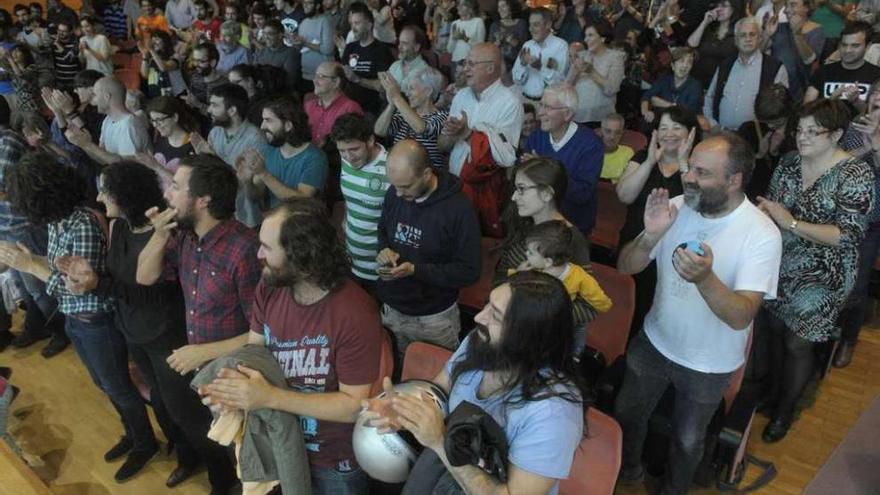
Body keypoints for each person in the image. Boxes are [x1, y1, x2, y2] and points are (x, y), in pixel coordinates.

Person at [614, 132, 783, 495]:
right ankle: (628, 473)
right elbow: (626, 267)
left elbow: (742, 317)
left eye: (702, 173)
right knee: (628, 413)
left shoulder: (761, 235)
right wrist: (648, 237)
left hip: (708, 365)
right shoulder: (676, 206)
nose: (688, 177)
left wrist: (705, 279)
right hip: (654, 342)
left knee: (688, 442)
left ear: (733, 180)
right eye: (690, 168)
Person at [58, 161, 237, 491]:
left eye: (106, 190)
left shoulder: (178, 236)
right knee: (163, 406)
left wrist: (155, 237)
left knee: (188, 414)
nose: (98, 196)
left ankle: (222, 478)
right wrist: (92, 281)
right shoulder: (121, 228)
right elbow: (129, 281)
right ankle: (185, 457)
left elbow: (145, 282)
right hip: (134, 331)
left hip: (168, 337)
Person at [200, 198, 384, 494]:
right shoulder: (269, 287)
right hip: (277, 443)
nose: (258, 253)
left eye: (268, 247)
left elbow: (352, 406)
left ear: (302, 255)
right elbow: (255, 354)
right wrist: (231, 392)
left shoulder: (356, 312)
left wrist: (269, 397)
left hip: (332, 463)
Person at [0, 151, 161, 482]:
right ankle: (132, 434)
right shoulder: (61, 221)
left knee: (118, 387)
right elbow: (62, 269)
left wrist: (30, 265)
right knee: (103, 383)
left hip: (97, 323)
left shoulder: (82, 223)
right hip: (78, 321)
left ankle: (145, 442)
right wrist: (34, 260)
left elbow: (79, 286)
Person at [362, 270, 584, 495]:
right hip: (439, 475)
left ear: (527, 336)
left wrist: (439, 440)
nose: (479, 318)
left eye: (495, 315)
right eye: (487, 305)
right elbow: (438, 392)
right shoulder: (480, 342)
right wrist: (405, 410)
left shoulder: (553, 414)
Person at [755, 99, 874, 443]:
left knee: (796, 342)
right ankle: (774, 390)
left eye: (812, 132)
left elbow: (847, 236)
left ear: (836, 134)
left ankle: (785, 410)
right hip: (784, 258)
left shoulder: (855, 173)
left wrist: (789, 222)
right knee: (775, 328)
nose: (801, 137)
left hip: (828, 269)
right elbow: (773, 209)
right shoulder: (790, 163)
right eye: (799, 130)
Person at [136, 154, 261, 379]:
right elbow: (144, 277)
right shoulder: (186, 236)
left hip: (238, 373)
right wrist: (159, 234)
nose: (167, 194)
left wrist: (203, 352)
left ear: (203, 200)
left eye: (175, 187)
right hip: (205, 368)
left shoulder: (245, 250)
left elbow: (266, 331)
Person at [377, 139, 481, 357]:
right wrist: (384, 249)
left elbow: (469, 271)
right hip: (393, 309)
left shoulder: (459, 209)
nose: (397, 194)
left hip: (434, 319)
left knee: (435, 380)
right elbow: (383, 231)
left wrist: (416, 270)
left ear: (426, 174)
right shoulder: (394, 194)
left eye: (405, 187)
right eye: (394, 185)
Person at [616, 106, 700, 337]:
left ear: (690, 133)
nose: (669, 133)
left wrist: (684, 164)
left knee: (658, 312)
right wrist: (650, 162)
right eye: (663, 127)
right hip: (635, 243)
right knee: (628, 311)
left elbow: (697, 206)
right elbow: (624, 195)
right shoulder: (643, 157)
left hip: (673, 253)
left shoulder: (696, 165)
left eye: (676, 127)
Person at [494, 157, 597, 327]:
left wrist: (532, 314)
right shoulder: (524, 221)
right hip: (510, 321)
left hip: (538, 334)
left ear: (547, 193)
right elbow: (502, 272)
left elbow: (589, 306)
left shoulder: (571, 239)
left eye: (521, 189)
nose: (513, 197)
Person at [440, 42, 522, 235]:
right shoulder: (461, 96)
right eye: (464, 63)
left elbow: (504, 158)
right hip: (454, 184)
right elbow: (443, 144)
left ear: (491, 67)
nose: (464, 69)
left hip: (484, 192)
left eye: (471, 64)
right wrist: (449, 135)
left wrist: (467, 134)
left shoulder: (509, 103)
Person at [508, 220, 612, 351]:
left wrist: (604, 306)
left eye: (530, 252)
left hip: (560, 325)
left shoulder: (579, 276)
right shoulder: (532, 269)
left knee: (573, 336)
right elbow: (512, 287)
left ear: (547, 261)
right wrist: (518, 273)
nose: (526, 254)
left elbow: (596, 296)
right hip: (536, 322)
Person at [835, 79, 880, 368]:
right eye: (877, 94)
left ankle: (848, 339)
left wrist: (876, 148)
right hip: (841, 214)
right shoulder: (853, 127)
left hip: (872, 222)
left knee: (857, 282)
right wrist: (865, 147)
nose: (879, 101)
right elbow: (836, 165)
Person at [524, 83, 603, 236]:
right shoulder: (536, 136)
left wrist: (546, 170)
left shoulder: (591, 145)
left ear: (567, 114)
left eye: (548, 107)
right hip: (537, 223)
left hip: (572, 230)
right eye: (540, 105)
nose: (540, 113)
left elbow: (583, 194)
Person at [332, 113, 390, 288]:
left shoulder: (391, 167)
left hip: (382, 268)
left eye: (354, 149)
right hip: (352, 260)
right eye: (342, 151)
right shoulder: (346, 161)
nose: (348, 157)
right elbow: (350, 198)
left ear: (370, 141)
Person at [237, 96, 328, 208]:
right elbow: (255, 197)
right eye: (263, 120)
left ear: (288, 125)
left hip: (300, 224)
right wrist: (247, 182)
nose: (262, 126)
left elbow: (302, 202)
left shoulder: (315, 157)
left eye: (268, 120)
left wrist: (263, 173)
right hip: (272, 221)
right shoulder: (268, 150)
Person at [703, 16, 789, 131]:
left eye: (752, 34)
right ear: (736, 41)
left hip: (757, 139)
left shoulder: (775, 67)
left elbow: (781, 107)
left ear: (759, 38)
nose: (748, 39)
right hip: (722, 134)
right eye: (743, 35)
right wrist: (712, 123)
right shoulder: (725, 65)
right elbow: (710, 97)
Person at [201, 82, 266, 227]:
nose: (209, 110)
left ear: (232, 110)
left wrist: (215, 160)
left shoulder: (255, 139)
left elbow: (257, 193)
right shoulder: (215, 132)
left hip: (244, 218)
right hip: (216, 214)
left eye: (215, 105)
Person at [64, 76, 151, 166]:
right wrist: (83, 144)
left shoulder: (130, 125)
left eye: (94, 95)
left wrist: (88, 145)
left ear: (107, 97)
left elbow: (125, 166)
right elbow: (103, 159)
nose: (92, 100)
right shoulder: (107, 120)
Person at [375, 67, 449, 170]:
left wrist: (396, 97)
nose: (407, 93)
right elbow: (380, 131)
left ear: (428, 91)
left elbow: (421, 128)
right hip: (399, 171)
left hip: (427, 176)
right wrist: (392, 105)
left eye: (412, 89)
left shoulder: (442, 117)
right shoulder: (404, 114)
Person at [761, 0, 824, 102]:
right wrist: (767, 34)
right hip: (775, 89)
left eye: (793, 5)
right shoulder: (778, 27)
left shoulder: (816, 30)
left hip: (801, 91)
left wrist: (796, 34)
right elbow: (760, 55)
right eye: (786, 5)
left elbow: (810, 60)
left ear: (806, 8)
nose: (787, 10)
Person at [804, 21, 880, 106]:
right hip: (827, 119)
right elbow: (807, 109)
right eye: (844, 45)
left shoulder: (877, 76)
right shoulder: (823, 72)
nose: (848, 50)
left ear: (868, 46)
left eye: (855, 46)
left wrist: (856, 101)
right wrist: (831, 101)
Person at [567, 20, 625, 126]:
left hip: (601, 119)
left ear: (602, 38)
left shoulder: (616, 58)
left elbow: (611, 89)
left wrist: (591, 71)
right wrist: (575, 70)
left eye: (590, 35)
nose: (586, 39)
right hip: (577, 116)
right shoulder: (581, 55)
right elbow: (567, 86)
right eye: (585, 36)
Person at [341, 2, 394, 115]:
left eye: (357, 23)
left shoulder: (382, 50)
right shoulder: (350, 47)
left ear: (369, 25)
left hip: (370, 109)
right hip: (347, 107)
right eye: (351, 24)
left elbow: (383, 87)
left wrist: (358, 79)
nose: (353, 28)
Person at [135, 95, 198, 182]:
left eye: (159, 120)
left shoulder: (193, 146)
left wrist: (157, 167)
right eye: (153, 120)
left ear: (175, 117)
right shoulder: (160, 141)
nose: (155, 125)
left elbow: (185, 185)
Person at [512, 8, 569, 101]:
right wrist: (523, 65)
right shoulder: (527, 45)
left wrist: (540, 67)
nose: (531, 29)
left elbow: (559, 82)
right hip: (525, 100)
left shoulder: (561, 46)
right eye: (530, 25)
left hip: (548, 104)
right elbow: (516, 80)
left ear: (548, 25)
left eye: (536, 25)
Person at [305, 61, 363, 145]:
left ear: (336, 82)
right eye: (316, 76)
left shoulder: (350, 108)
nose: (315, 80)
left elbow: (353, 144)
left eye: (321, 77)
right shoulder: (308, 105)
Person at [687, 0, 741, 88]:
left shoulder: (737, 33)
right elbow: (690, 45)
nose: (719, 9)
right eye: (717, 6)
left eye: (724, 6)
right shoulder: (709, 29)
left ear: (733, 9)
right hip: (696, 79)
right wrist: (704, 23)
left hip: (718, 84)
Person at [640, 47, 703, 122]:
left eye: (689, 62)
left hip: (682, 124)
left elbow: (687, 112)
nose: (685, 65)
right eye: (681, 61)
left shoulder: (695, 86)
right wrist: (646, 113)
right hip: (662, 121)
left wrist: (665, 104)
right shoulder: (664, 80)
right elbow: (646, 96)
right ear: (673, 66)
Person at [295, 0, 334, 94]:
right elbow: (300, 50)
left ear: (317, 6)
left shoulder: (325, 21)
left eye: (309, 3)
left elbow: (328, 49)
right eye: (304, 3)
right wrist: (296, 43)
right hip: (305, 74)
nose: (305, 6)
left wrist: (305, 43)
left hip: (323, 77)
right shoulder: (303, 23)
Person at [249, 20, 301, 90]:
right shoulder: (261, 51)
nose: (266, 37)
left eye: (269, 34)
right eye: (264, 33)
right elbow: (253, 73)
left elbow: (289, 81)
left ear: (280, 35)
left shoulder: (291, 53)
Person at [138, 29, 185, 97]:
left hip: (177, 96)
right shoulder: (151, 58)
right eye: (152, 40)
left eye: (157, 39)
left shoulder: (175, 56)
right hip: (158, 97)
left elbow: (164, 68)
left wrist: (151, 50)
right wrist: (144, 55)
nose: (154, 43)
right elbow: (145, 75)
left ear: (165, 41)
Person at [185, 42, 227, 114]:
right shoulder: (195, 76)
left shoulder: (224, 84)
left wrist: (199, 105)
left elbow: (222, 115)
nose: (195, 64)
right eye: (194, 60)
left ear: (213, 63)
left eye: (201, 61)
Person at [446, 0, 485, 71]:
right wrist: (453, 39)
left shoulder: (478, 22)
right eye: (458, 5)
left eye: (462, 5)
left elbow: (480, 47)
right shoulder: (455, 23)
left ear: (470, 8)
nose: (459, 7)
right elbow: (449, 50)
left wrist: (464, 38)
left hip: (471, 62)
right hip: (456, 63)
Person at [388, 25, 430, 89]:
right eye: (399, 42)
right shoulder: (394, 66)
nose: (399, 47)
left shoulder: (426, 73)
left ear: (416, 47)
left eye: (404, 43)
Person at [490, 0, 528, 68]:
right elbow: (489, 48)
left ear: (511, 7)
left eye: (503, 6)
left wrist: (513, 41)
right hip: (498, 64)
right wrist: (496, 43)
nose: (500, 10)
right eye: (499, 7)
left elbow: (525, 48)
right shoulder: (495, 25)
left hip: (517, 64)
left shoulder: (521, 24)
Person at [599, 113, 635, 183]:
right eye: (608, 131)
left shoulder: (628, 152)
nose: (612, 137)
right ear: (601, 131)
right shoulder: (590, 151)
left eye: (617, 132)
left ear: (622, 133)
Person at [51, 19, 80, 90]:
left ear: (70, 32)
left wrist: (58, 44)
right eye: (59, 30)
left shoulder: (75, 44)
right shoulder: (53, 44)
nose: (60, 33)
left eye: (64, 31)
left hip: (74, 81)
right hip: (59, 81)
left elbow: (69, 59)